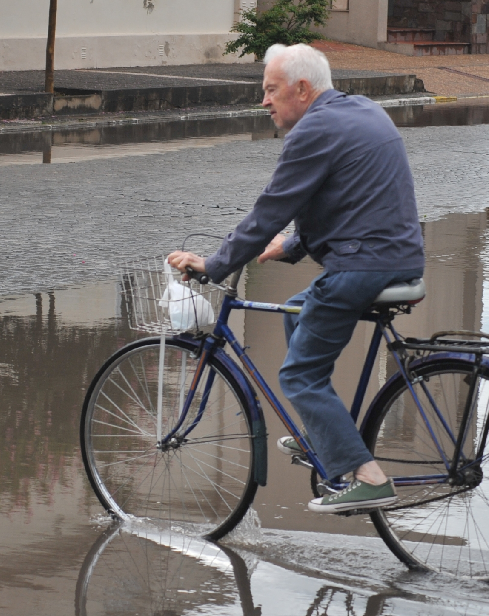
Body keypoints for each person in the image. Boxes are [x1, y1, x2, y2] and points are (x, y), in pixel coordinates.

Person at [167, 43, 425, 513]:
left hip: (362, 266)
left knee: (300, 376)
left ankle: (368, 477)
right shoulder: (361, 111)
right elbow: (348, 200)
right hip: (396, 256)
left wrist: (215, 262)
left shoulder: (315, 130)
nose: (264, 101)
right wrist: (291, 246)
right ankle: (322, 438)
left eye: (271, 89)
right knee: (296, 311)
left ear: (302, 90)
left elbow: (270, 209)